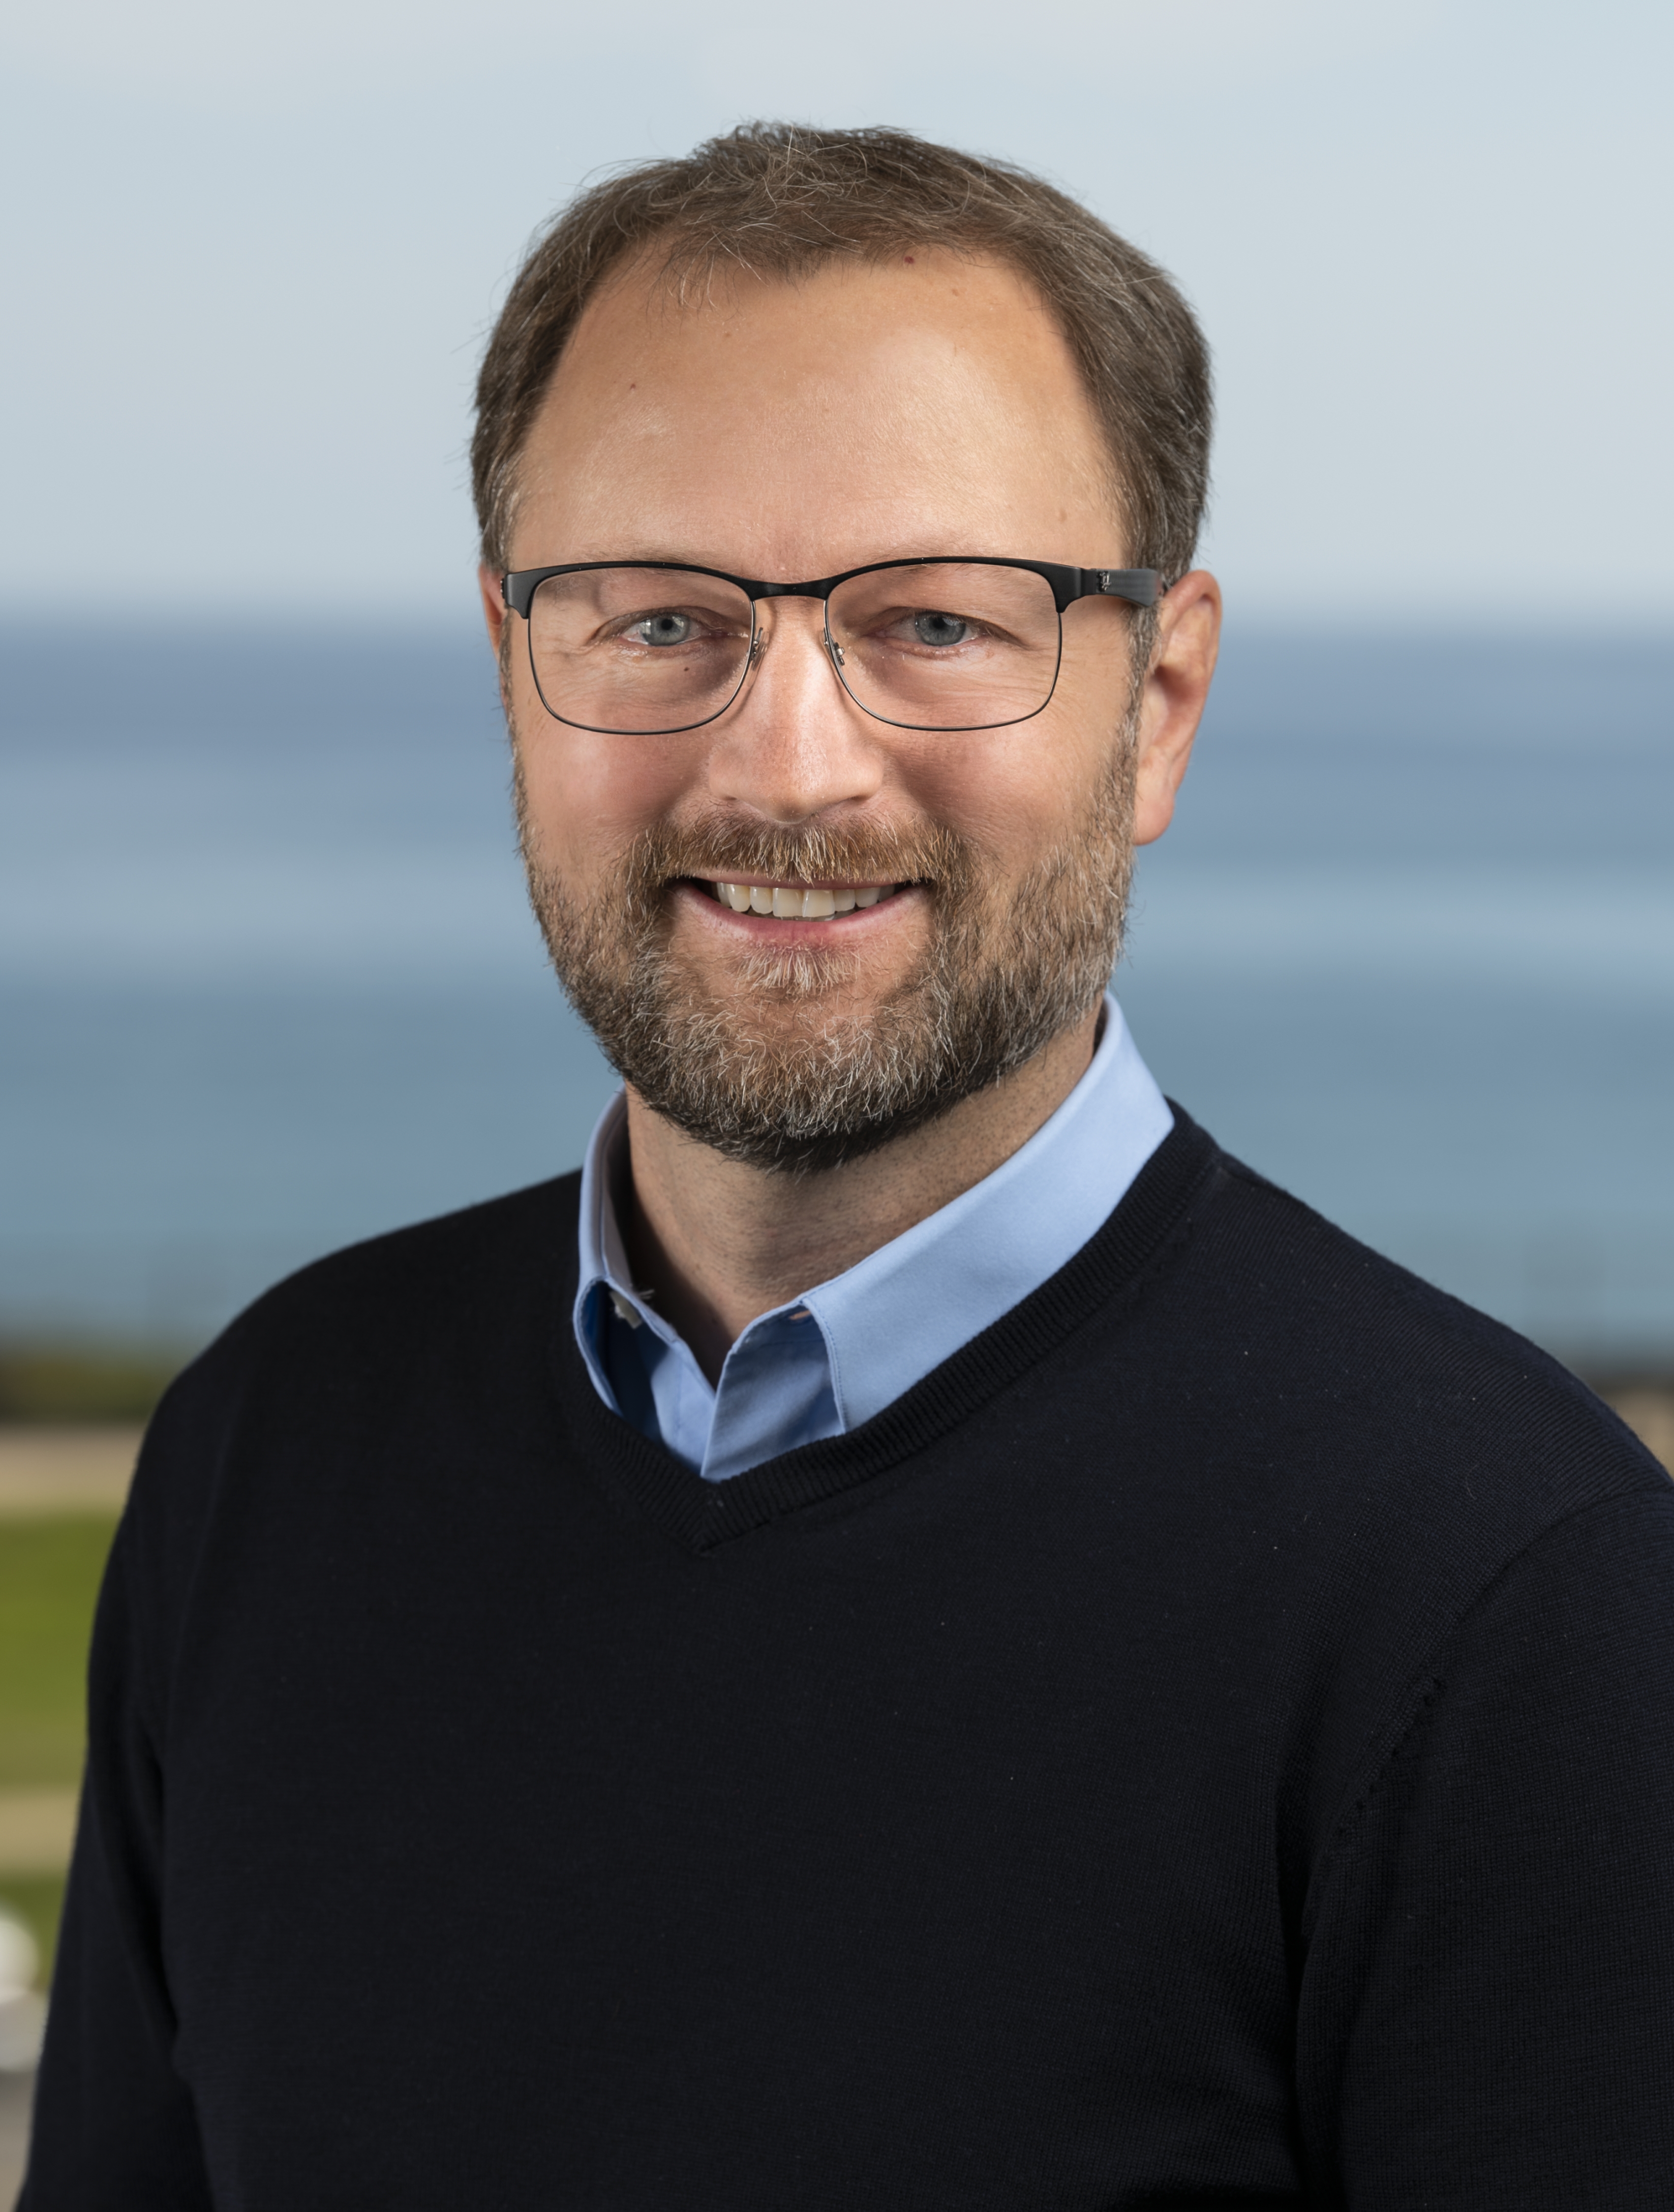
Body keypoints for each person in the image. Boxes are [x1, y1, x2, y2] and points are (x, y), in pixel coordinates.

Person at [22, 124, 1674, 2209]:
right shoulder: (270, 1446)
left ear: (1155, 703)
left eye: (935, 625)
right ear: (509, 670)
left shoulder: (1511, 1600)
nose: (785, 763)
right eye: (653, 620)